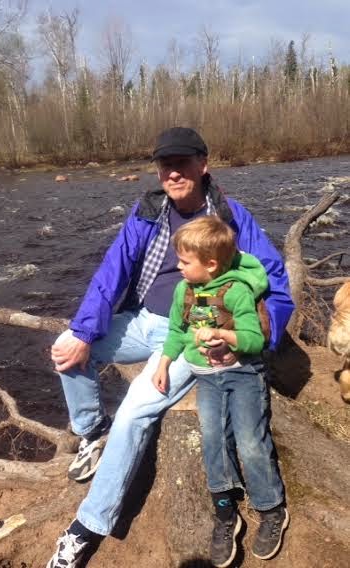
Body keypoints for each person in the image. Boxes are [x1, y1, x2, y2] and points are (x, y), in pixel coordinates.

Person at [47, 127, 294, 568]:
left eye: (182, 163)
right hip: (142, 320)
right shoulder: (148, 211)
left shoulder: (229, 217)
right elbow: (112, 271)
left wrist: (258, 339)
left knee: (133, 412)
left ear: (203, 165)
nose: (174, 173)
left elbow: (273, 277)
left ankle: (86, 526)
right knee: (66, 348)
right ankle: (91, 431)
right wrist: (84, 331)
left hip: (189, 334)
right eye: (166, 165)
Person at [152, 216, 289, 567]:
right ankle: (226, 512)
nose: (178, 267)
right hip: (207, 378)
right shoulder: (184, 291)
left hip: (243, 375)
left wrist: (225, 336)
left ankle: (271, 508)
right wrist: (164, 363)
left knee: (250, 442)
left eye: (185, 261)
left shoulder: (237, 291)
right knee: (213, 441)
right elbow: (177, 330)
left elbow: (255, 339)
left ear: (211, 264)